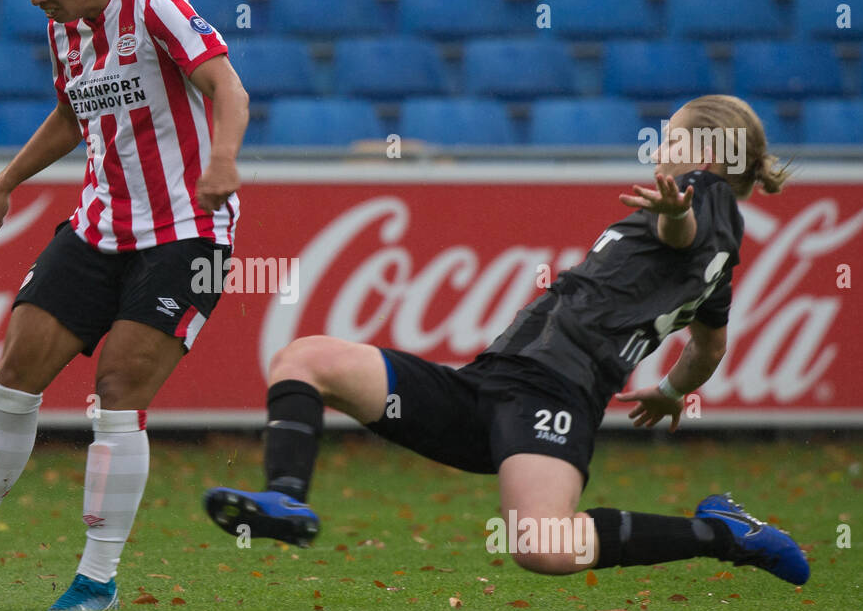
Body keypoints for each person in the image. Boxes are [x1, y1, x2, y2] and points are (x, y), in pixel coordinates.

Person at [204, 95, 809, 586]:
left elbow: (684, 231)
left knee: (541, 544)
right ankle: (286, 500)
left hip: (553, 394)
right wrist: (672, 391)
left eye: (672, 137)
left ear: (707, 150)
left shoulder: (702, 195)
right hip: (489, 385)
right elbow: (710, 346)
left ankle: (727, 535)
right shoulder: (718, 262)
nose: (660, 147)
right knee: (306, 359)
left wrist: (676, 214)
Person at [0, 0, 248, 611]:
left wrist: (224, 161)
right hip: (98, 227)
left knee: (117, 392)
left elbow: (225, 86)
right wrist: (5, 184)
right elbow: (71, 115)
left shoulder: (153, 7)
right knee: (15, 374)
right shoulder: (67, 29)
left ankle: (97, 580)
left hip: (186, 234)